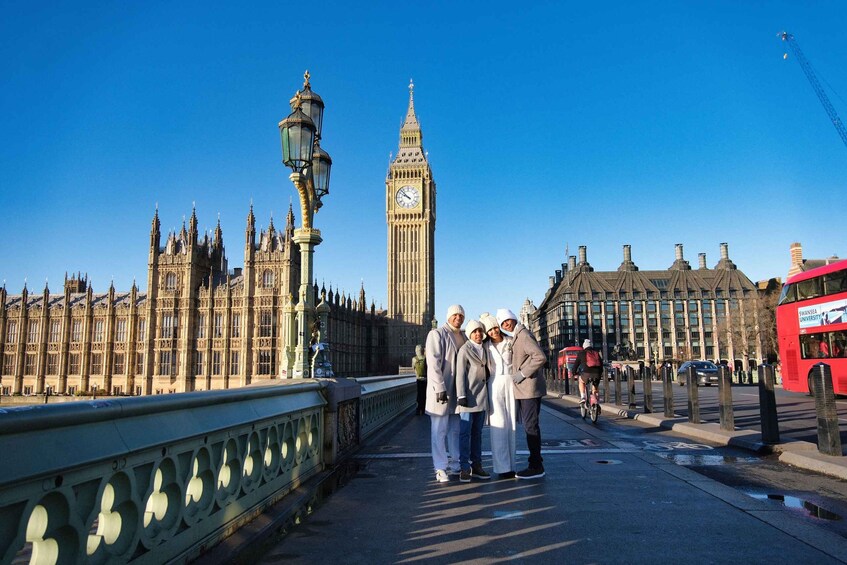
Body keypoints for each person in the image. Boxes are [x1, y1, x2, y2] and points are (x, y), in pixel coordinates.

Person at [497, 308, 547, 479]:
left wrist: (523, 373)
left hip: (529, 389)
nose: (505, 324)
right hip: (523, 390)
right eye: (502, 323)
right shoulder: (516, 336)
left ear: (513, 318)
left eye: (507, 321)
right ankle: (535, 462)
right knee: (529, 426)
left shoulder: (524, 335)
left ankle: (536, 466)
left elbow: (540, 357)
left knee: (530, 426)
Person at [425, 304, 467, 483]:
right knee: (439, 430)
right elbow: (433, 363)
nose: (458, 318)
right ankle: (440, 467)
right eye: (455, 315)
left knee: (456, 430)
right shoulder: (437, 334)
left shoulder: (464, 336)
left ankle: (456, 463)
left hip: (458, 391)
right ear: (449, 316)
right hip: (441, 391)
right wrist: (439, 387)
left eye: (461, 315)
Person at [455, 320, 491, 482]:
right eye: (475, 331)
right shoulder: (465, 350)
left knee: (477, 434)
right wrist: (461, 395)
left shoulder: (484, 349)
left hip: (482, 398)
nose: (478, 334)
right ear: (470, 334)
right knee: (465, 434)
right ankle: (464, 467)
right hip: (468, 399)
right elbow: (460, 374)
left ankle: (477, 465)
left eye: (480, 331)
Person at [482, 313, 517, 480]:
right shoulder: (485, 346)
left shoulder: (511, 341)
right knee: (498, 425)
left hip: (511, 382)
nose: (493, 332)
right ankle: (501, 467)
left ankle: (511, 466)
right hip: (494, 384)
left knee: (511, 425)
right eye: (489, 330)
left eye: (495, 328)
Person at [574, 339, 604, 404]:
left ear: (584, 346)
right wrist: (600, 373)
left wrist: (574, 373)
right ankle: (596, 398)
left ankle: (583, 397)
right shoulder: (596, 353)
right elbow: (601, 364)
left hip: (586, 374)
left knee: (581, 381)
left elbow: (575, 365)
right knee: (595, 386)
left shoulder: (581, 353)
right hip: (597, 374)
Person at [413, 345, 427, 415]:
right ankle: (423, 409)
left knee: (419, 394)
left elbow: (413, 368)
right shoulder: (425, 358)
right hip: (425, 379)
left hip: (418, 379)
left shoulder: (414, 359)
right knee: (424, 394)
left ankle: (418, 409)